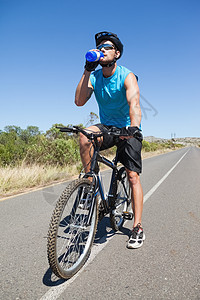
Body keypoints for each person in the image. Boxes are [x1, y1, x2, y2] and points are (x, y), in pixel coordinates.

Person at [75, 31, 145, 249]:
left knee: (132, 176)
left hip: (126, 127)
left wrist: (133, 129)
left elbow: (134, 104)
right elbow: (79, 102)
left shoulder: (127, 75)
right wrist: (87, 69)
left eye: (107, 47)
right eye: (100, 47)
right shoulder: (94, 77)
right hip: (107, 126)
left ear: (117, 53)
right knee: (84, 134)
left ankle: (137, 226)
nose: (102, 49)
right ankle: (88, 184)